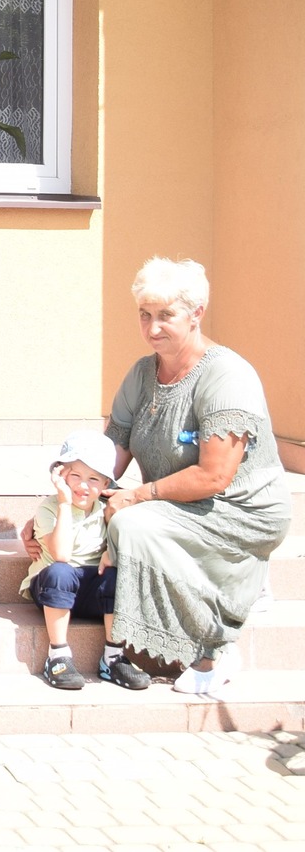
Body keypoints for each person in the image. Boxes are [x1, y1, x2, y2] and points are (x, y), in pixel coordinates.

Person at [24, 258, 292, 697]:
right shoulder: (141, 374)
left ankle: (216, 643)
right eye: (145, 315)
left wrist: (137, 497)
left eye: (166, 315)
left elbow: (215, 475)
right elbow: (107, 459)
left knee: (131, 523)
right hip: (176, 502)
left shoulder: (227, 376)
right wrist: (58, 508)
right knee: (120, 515)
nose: (152, 328)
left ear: (196, 314)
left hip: (239, 508)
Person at [20, 431, 147, 692]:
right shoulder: (49, 508)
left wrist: (112, 551)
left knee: (115, 575)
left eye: (93, 479)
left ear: (105, 485)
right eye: (75, 475)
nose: (83, 485)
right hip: (52, 588)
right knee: (61, 571)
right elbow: (61, 555)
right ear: (61, 475)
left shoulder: (107, 509)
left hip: (90, 591)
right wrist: (65, 504)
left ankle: (112, 658)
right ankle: (58, 656)